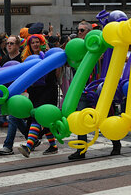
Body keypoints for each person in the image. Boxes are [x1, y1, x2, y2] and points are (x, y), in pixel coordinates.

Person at [68, 21, 122, 160]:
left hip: (99, 89)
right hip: (82, 90)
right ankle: (81, 150)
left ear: (89, 32)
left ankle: (116, 143)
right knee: (81, 118)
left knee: (106, 118)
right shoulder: (78, 50)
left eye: (82, 30)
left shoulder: (100, 47)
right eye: (78, 30)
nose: (79, 33)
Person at [17, 34, 60, 157]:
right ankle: (53, 146)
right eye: (33, 42)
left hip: (48, 90)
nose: (35, 44)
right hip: (35, 91)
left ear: (41, 43)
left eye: (37, 42)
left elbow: (56, 73)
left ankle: (29, 146)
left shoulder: (47, 56)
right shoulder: (26, 58)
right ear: (29, 45)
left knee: (38, 116)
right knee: (45, 119)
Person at [0, 35, 30, 155]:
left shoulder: (22, 59)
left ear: (17, 45)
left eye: (12, 43)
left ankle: (8, 146)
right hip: (8, 92)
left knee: (12, 117)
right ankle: (32, 137)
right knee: (16, 118)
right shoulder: (4, 59)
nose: (9, 45)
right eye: (7, 43)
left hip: (20, 92)